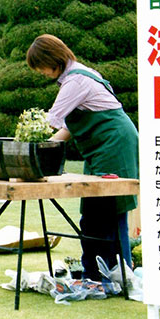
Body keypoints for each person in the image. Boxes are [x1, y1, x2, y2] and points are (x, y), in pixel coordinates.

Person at [26, 34, 138, 281]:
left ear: (52, 59)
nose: (41, 73)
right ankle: (95, 274)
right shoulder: (73, 77)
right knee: (92, 210)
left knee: (109, 208)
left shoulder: (76, 80)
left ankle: (116, 276)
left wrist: (28, 141)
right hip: (100, 147)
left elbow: (51, 120)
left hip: (114, 144)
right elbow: (67, 128)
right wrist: (42, 149)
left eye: (41, 67)